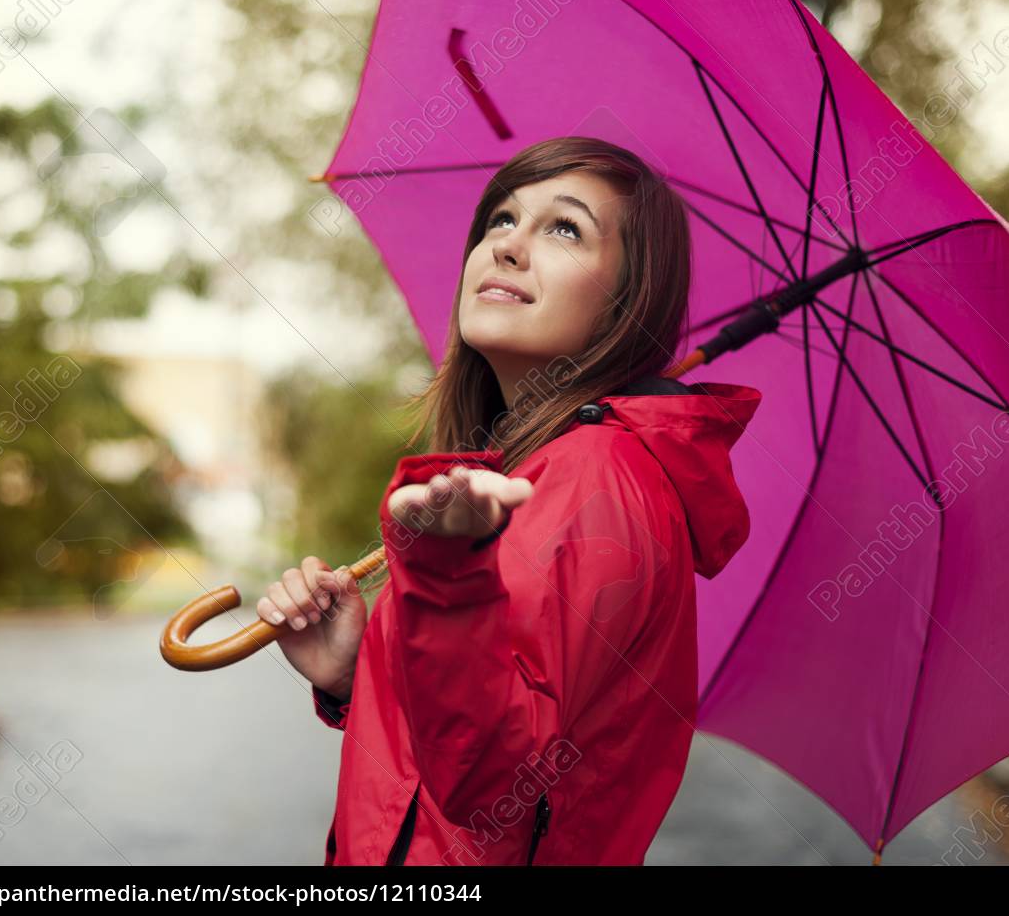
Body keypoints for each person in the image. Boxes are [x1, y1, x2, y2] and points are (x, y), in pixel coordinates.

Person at [259, 136, 761, 865]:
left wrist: (444, 573)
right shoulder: (544, 467)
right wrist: (356, 675)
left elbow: (495, 780)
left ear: (630, 296)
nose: (509, 247)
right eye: (500, 218)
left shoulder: (598, 479)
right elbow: (463, 748)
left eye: (565, 228)